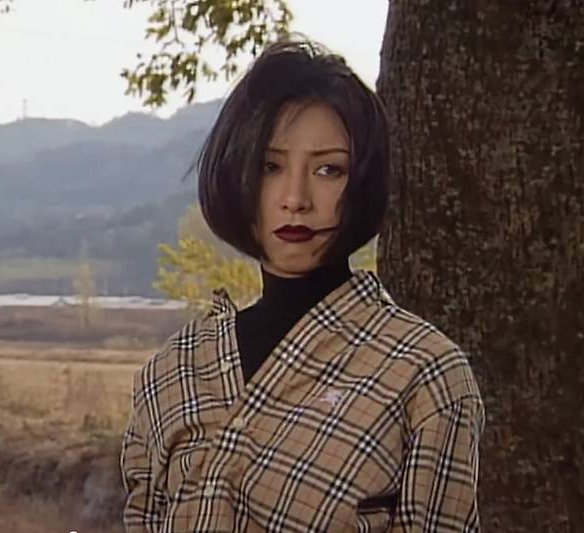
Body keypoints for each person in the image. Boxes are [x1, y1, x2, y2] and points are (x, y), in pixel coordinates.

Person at [120, 38, 485, 533]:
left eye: (328, 170)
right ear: (237, 172)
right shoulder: (175, 369)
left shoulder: (424, 374)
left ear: (362, 183)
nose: (295, 198)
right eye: (270, 167)